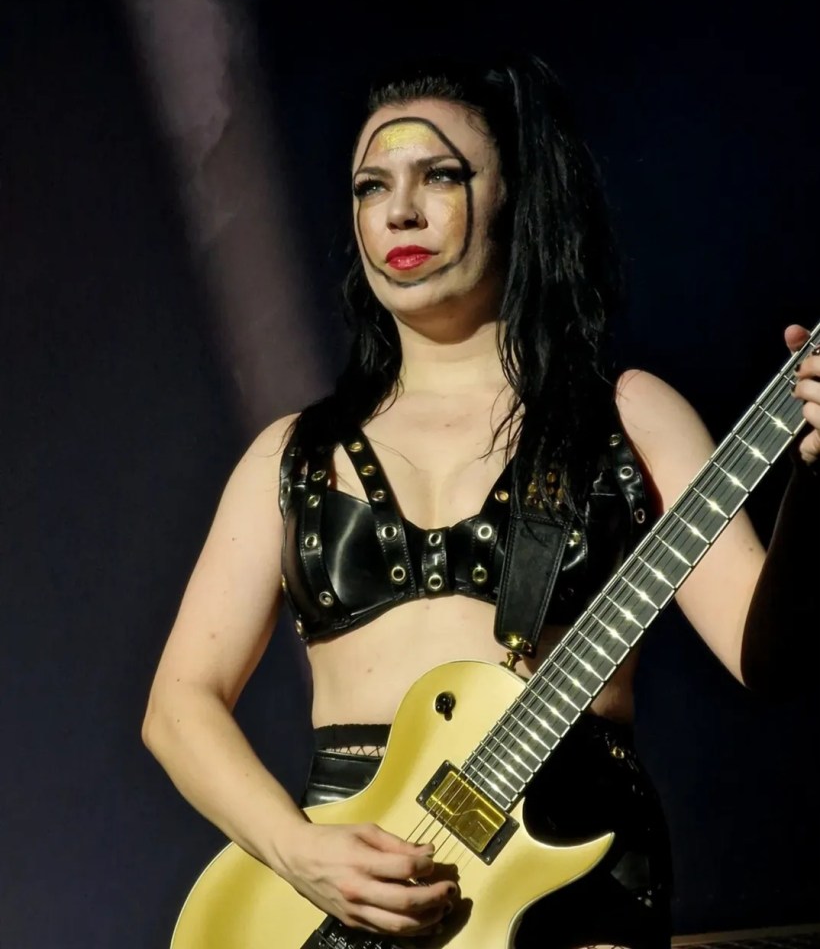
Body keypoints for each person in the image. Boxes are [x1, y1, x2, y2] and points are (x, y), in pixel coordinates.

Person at [142, 52, 819, 949]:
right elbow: (179, 703)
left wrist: (817, 473)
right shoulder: (293, 455)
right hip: (338, 908)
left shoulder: (627, 417)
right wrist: (300, 853)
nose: (401, 211)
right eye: (372, 186)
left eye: (440, 176)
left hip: (573, 885)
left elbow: (771, 659)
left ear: (514, 199)